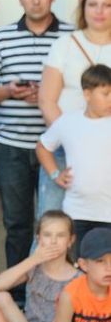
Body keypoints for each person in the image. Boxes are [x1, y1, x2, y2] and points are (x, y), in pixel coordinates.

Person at [0, 0, 76, 272]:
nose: (36, 0)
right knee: (17, 223)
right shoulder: (2, 37)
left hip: (61, 146)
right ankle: (18, 295)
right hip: (13, 146)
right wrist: (9, 91)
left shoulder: (73, 35)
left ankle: (54, 288)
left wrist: (49, 96)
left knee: (58, 223)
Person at [38, 0, 111, 215]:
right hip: (62, 148)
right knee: (50, 221)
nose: (99, 11)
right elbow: (47, 99)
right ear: (83, 8)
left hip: (105, 150)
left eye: (107, 5)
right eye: (93, 4)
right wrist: (70, 137)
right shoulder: (64, 45)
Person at [0, 210, 78, 322]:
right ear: (38, 239)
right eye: (47, 235)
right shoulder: (34, 268)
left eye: (60, 235)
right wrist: (34, 259)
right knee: (0, 298)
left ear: (70, 240)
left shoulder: (78, 277)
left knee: (71, 307)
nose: (53, 241)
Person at [38, 64, 111, 244]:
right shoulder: (69, 122)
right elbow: (43, 147)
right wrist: (55, 174)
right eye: (106, 94)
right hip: (77, 212)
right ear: (87, 94)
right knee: (79, 267)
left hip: (109, 213)